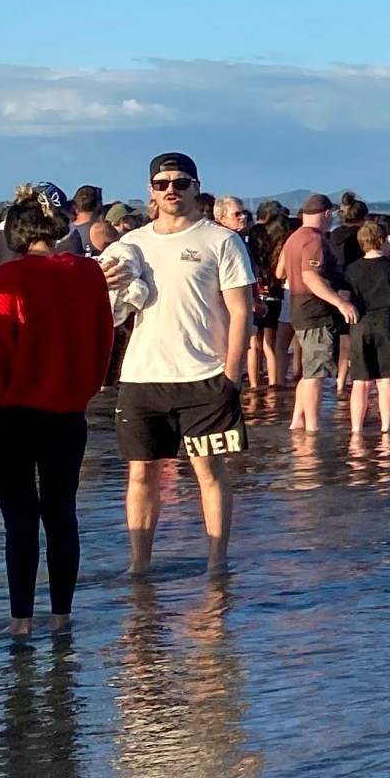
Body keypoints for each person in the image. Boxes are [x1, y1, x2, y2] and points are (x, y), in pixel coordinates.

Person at [0, 186, 113, 635]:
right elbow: (103, 342)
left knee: (20, 522)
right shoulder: (89, 274)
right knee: (62, 515)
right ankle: (62, 616)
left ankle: (20, 622)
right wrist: (82, 391)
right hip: (67, 414)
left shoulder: (13, 277)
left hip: (15, 416)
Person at [100, 152, 254, 575]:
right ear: (151, 189)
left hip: (205, 377)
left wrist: (232, 374)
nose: (171, 189)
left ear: (196, 188)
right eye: (163, 183)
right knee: (141, 475)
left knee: (208, 470)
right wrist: (103, 286)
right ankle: (138, 567)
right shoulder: (131, 246)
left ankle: (216, 563)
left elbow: (241, 310)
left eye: (181, 183)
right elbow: (108, 310)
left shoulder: (222, 240)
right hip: (142, 376)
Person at [280, 193, 358, 433]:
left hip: (297, 308)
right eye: (332, 214)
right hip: (315, 311)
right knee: (316, 373)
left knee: (309, 369)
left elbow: (279, 271)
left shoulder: (293, 238)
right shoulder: (314, 240)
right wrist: (340, 303)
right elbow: (310, 276)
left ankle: (298, 420)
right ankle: (312, 426)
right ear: (326, 214)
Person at [342, 216, 390, 436]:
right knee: (385, 381)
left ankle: (356, 431)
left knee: (360, 382)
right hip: (388, 325)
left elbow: (343, 298)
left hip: (359, 325)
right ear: (382, 240)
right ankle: (385, 430)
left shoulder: (351, 269)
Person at [244, 199, 292, 388]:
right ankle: (273, 383)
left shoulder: (251, 249)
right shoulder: (278, 247)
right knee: (269, 343)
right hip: (274, 295)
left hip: (256, 295)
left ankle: (254, 384)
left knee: (253, 345)